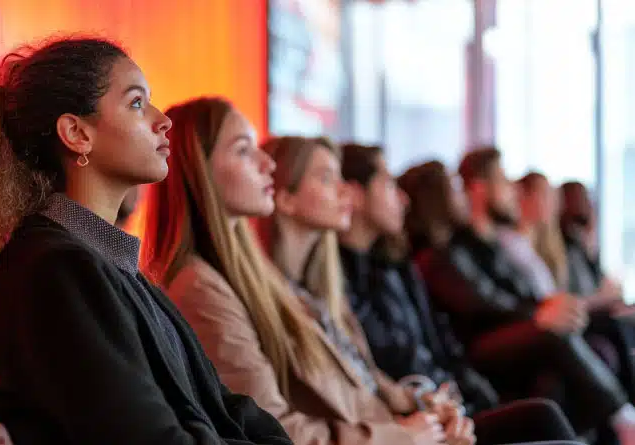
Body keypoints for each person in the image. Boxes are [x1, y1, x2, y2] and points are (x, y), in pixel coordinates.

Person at [0, 38, 291, 445]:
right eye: (137, 103)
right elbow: (146, 436)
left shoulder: (108, 264)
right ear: (77, 133)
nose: (163, 121)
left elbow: (225, 408)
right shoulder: (54, 270)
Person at [144, 99, 426, 445]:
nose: (268, 164)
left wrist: (420, 416)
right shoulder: (200, 287)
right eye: (244, 150)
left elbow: (359, 388)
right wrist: (406, 434)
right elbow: (270, 427)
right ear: (200, 171)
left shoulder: (256, 276)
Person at [415, 147, 635, 442]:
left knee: (565, 365)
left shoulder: (480, 246)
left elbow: (508, 294)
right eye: (503, 180)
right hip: (484, 343)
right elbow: (482, 304)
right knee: (552, 333)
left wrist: (544, 308)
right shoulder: (443, 254)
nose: (513, 190)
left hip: (509, 331)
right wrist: (539, 314)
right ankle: (622, 418)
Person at [338, 145, 499, 415]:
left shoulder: (395, 262)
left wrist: (467, 390)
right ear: (356, 194)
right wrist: (453, 398)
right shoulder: (343, 276)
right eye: (389, 184)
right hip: (423, 409)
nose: (403, 199)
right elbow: (393, 357)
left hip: (444, 398)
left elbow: (437, 336)